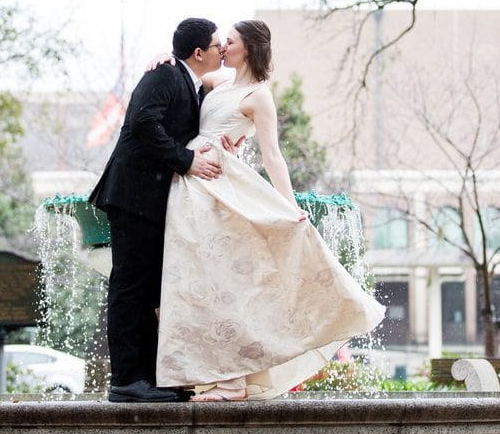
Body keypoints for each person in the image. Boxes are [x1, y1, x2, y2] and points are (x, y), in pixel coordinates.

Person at [155, 20, 385, 402]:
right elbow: (184, 80)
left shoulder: (260, 96)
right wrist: (165, 58)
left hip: (218, 185)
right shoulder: (217, 84)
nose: (222, 47)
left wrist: (289, 207)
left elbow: (273, 156)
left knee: (228, 283)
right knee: (196, 282)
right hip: (192, 178)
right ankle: (208, 376)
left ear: (248, 49)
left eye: (229, 42)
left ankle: (232, 380)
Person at [89, 17, 225, 403]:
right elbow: (143, 124)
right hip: (132, 195)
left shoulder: (190, 82)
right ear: (198, 52)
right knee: (129, 287)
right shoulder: (164, 75)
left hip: (153, 201)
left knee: (147, 290)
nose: (221, 51)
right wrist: (186, 160)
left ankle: (148, 378)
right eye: (217, 46)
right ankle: (127, 381)